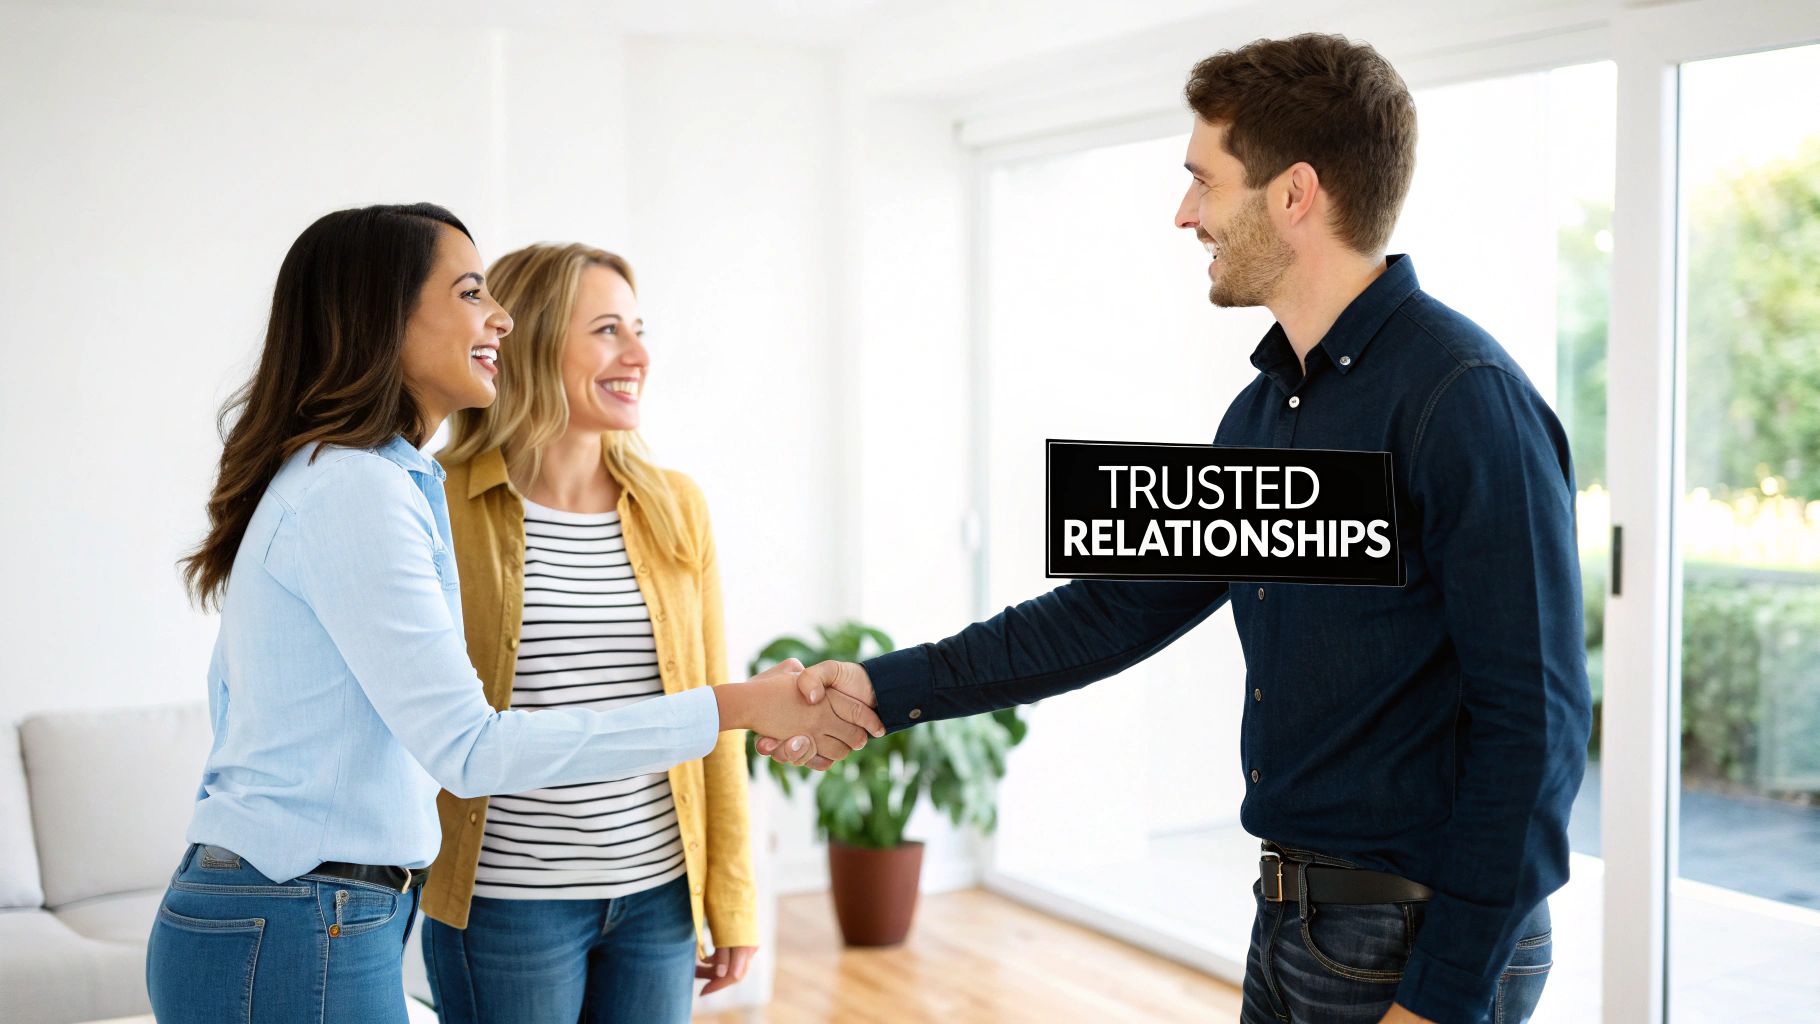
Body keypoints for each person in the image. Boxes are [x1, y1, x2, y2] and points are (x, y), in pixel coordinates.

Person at [760, 34, 1591, 1024]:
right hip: (1294, 922)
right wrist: (881, 686)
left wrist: (1441, 998)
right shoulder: (1263, 410)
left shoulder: (1461, 401)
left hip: (1411, 945)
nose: (1184, 212)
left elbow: (1533, 730)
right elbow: (1111, 610)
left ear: (1293, 195)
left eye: (1202, 181)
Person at [148, 204, 880, 1023]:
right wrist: (738, 707)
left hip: (339, 910)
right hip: (320, 913)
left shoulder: (376, 482)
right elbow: (469, 747)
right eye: (470, 292)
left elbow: (242, 700)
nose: (497, 314)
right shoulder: (362, 489)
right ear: (383, 316)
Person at [418, 243, 759, 1022]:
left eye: (639, 330)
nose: (638, 354)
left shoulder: (676, 507)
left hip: (658, 901)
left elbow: (718, 714)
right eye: (608, 330)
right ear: (534, 340)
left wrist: (731, 898)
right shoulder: (438, 501)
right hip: (507, 905)